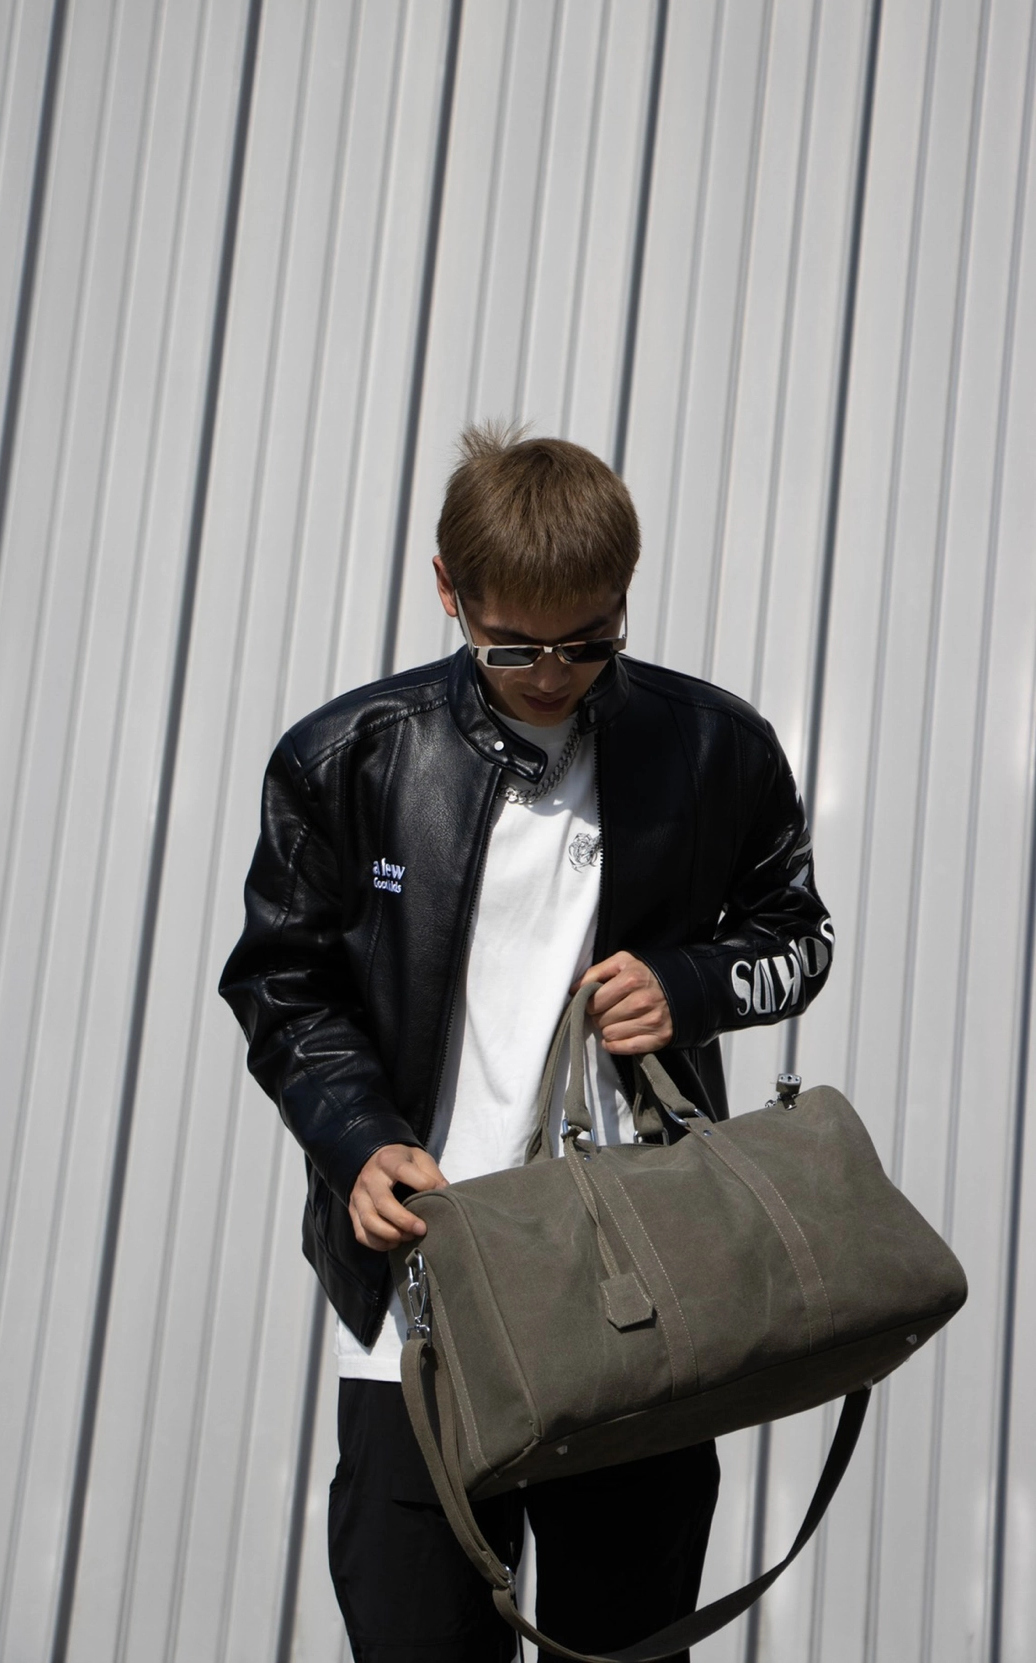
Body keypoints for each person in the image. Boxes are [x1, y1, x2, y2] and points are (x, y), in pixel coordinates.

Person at [219, 424, 834, 1662]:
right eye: (514, 646)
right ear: (449, 590)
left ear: (625, 593)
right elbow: (282, 988)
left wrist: (692, 985)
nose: (553, 673)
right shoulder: (351, 757)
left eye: (590, 640)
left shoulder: (713, 748)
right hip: (426, 1293)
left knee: (628, 1641)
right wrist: (358, 1141)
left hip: (642, 1299)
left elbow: (800, 940)